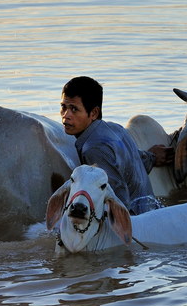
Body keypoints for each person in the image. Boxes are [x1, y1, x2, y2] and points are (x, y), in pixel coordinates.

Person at [60, 76, 173, 215]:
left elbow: (116, 195)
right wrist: (152, 157)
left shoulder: (93, 149)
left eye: (74, 109)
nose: (66, 115)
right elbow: (135, 160)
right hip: (152, 212)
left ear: (94, 113)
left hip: (135, 221)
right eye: (63, 107)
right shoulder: (116, 129)